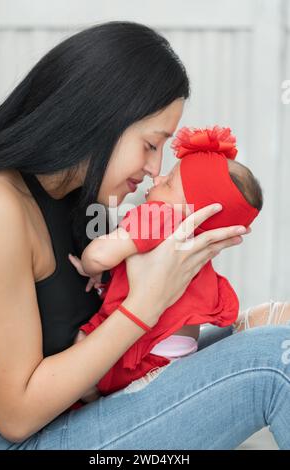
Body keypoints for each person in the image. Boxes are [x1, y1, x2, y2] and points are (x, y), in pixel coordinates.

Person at [0, 21, 289, 450]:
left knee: (276, 339)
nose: (155, 169)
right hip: (21, 441)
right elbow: (16, 418)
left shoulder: (80, 199)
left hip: (83, 412)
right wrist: (145, 305)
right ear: (97, 118)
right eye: (151, 145)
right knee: (278, 365)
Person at [68, 125, 263, 398]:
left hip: (143, 355)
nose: (157, 178)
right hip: (177, 354)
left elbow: (100, 255)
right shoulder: (195, 244)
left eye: (169, 183)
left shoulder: (160, 215)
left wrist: (88, 264)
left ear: (193, 210)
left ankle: (90, 396)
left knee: (77, 349)